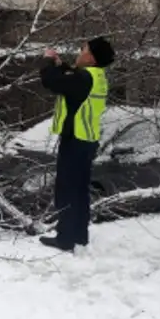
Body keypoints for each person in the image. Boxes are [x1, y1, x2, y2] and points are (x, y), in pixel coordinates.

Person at [38, 37, 115, 252]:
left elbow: (52, 82)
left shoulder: (83, 78)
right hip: (87, 140)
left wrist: (47, 61)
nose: (80, 53)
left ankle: (65, 239)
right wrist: (60, 64)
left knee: (67, 190)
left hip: (75, 140)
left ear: (91, 58)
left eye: (84, 50)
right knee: (80, 191)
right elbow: (70, 77)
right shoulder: (96, 76)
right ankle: (80, 236)